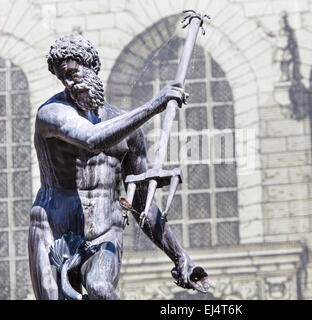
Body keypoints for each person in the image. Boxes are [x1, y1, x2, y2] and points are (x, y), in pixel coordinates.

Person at [28, 34, 209, 300]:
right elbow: (92, 139)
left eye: (71, 73)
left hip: (104, 232)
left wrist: (179, 256)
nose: (68, 84)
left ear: (91, 66)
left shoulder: (126, 129)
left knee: (101, 289)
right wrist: (153, 106)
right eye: (62, 78)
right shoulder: (51, 113)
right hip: (53, 231)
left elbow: (142, 203)